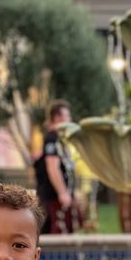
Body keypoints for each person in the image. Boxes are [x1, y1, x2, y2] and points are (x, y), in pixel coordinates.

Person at [34, 100, 81, 234]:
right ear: (58, 118)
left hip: (56, 197)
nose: (70, 120)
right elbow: (52, 167)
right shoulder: (52, 138)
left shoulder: (59, 139)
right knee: (55, 232)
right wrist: (63, 193)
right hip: (52, 197)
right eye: (67, 116)